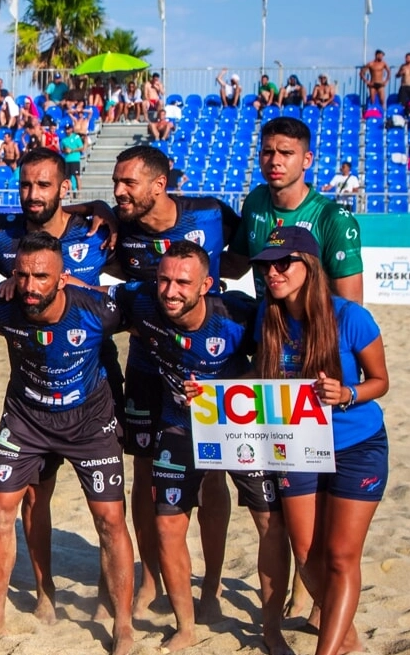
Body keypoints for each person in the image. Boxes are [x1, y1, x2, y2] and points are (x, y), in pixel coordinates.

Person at [112, 241, 291, 655]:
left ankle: (269, 628)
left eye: (182, 283)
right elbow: (85, 295)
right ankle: (186, 626)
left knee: (270, 523)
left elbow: (274, 357)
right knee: (167, 524)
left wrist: (225, 388)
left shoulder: (239, 313)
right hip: (178, 426)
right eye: (164, 280)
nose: (170, 291)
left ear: (207, 285)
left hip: (240, 425)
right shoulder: (142, 302)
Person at [0, 231, 134, 654]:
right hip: (26, 417)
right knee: (1, 508)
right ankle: (2, 612)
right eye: (22, 275)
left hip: (89, 421)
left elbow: (147, 308)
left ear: (63, 278)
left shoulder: (97, 311)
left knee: (110, 520)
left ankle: (124, 625)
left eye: (42, 276)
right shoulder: (2, 306)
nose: (30, 286)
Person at [102, 144, 245, 620]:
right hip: (147, 367)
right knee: (147, 478)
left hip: (208, 366)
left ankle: (214, 583)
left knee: (212, 478)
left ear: (158, 186)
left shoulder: (210, 212)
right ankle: (152, 579)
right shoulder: (118, 229)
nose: (118, 192)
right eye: (116, 184)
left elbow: (242, 259)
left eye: (128, 183)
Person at [251, 226, 390, 655]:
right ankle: (345, 637)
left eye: (283, 263)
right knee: (307, 553)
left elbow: (381, 382)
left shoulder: (350, 316)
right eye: (266, 265)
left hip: (358, 444)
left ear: (309, 266)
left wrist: (347, 394)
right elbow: (257, 387)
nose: (272, 273)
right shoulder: (267, 317)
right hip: (298, 444)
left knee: (341, 556)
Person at [227, 117, 363, 303]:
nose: (275, 161)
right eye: (268, 152)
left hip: (311, 330)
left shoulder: (333, 219)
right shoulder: (255, 201)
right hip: (266, 326)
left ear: (307, 160)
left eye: (286, 153)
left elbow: (351, 308)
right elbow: (236, 266)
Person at [60, 124, 84, 191]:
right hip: (67, 160)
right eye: (66, 129)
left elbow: (81, 148)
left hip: (75, 160)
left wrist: (72, 150)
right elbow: (62, 150)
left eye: (68, 129)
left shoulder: (76, 137)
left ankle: (79, 192)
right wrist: (65, 150)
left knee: (77, 176)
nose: (67, 131)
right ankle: (70, 193)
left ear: (71, 129)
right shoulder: (63, 140)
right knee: (68, 177)